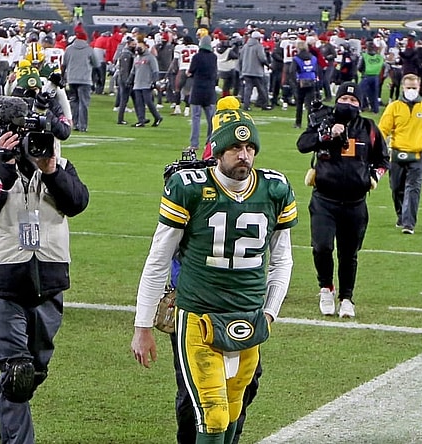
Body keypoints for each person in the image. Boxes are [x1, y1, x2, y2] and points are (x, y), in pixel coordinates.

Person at [132, 96, 297, 444]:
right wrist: (142, 326)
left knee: (235, 411)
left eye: (250, 146)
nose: (244, 155)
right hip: (198, 315)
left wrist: (269, 313)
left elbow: (282, 260)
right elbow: (158, 258)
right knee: (213, 414)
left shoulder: (274, 189)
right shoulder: (189, 187)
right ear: (217, 152)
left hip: (248, 316)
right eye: (235, 147)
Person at [0, 93, 88, 443]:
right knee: (17, 370)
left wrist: (48, 170)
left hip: (49, 278)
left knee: (33, 373)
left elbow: (77, 202)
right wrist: (3, 165)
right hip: (1, 278)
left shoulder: (56, 162)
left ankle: (9, 410)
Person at [297, 82, 390, 318]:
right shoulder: (323, 121)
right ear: (336, 100)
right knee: (322, 247)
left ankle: (347, 298)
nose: (348, 105)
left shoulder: (368, 127)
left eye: (353, 101)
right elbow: (303, 145)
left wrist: (373, 177)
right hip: (324, 199)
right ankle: (325, 287)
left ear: (360, 104)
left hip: (355, 202)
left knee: (349, 253)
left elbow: (383, 160)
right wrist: (327, 134)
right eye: (344, 100)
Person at [378, 74, 422, 235]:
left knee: (413, 188)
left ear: (419, 88)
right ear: (402, 88)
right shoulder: (394, 107)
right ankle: (401, 215)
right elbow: (383, 129)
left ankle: (409, 223)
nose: (411, 90)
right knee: (396, 187)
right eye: (408, 87)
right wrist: (379, 146)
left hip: (418, 155)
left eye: (414, 87)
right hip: (397, 152)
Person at [62, 30, 98, 132]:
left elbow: (64, 64)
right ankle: (83, 125)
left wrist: (63, 77)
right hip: (85, 79)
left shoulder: (68, 49)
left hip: (72, 79)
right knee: (84, 103)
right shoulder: (89, 49)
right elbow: (96, 64)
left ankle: (75, 123)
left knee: (74, 102)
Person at [187, 35, 217, 150]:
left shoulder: (197, 57)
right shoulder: (213, 57)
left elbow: (190, 72)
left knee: (195, 118)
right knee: (212, 120)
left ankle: (194, 144)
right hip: (209, 91)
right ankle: (210, 143)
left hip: (197, 91)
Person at [129, 40, 163, 128]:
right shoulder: (136, 58)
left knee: (149, 102)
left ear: (146, 47)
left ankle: (157, 117)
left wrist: (154, 82)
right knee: (139, 103)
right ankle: (141, 120)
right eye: (137, 46)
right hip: (137, 84)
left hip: (147, 83)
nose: (138, 48)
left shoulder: (150, 57)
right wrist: (130, 80)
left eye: (140, 47)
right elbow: (133, 71)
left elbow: (155, 70)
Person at [290, 40, 317, 128]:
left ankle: (298, 123)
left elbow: (292, 71)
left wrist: (295, 81)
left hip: (301, 81)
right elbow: (316, 69)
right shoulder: (313, 57)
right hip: (311, 80)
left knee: (299, 103)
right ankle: (310, 123)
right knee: (310, 104)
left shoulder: (296, 58)